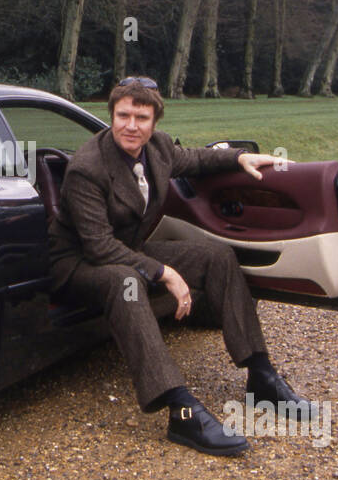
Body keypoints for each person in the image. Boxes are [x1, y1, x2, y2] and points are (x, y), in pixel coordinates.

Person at [47, 76, 317, 456]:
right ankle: (181, 411)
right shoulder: (87, 168)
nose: (131, 125)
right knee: (125, 280)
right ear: (111, 116)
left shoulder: (157, 147)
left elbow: (195, 159)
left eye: (141, 117)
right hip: (79, 264)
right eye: (122, 115)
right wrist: (164, 272)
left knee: (216, 255)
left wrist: (239, 158)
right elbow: (98, 247)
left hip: (126, 249)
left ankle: (261, 376)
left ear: (154, 121)